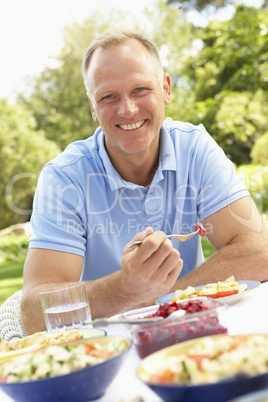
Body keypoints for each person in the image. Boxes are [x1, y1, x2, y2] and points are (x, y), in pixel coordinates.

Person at [21, 30, 268, 335]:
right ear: (92, 108)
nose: (128, 109)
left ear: (166, 89)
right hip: (105, 343)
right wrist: (125, 287)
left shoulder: (194, 147)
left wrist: (160, 296)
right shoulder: (64, 177)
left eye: (140, 89)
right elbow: (34, 312)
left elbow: (258, 250)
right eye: (109, 96)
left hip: (193, 326)